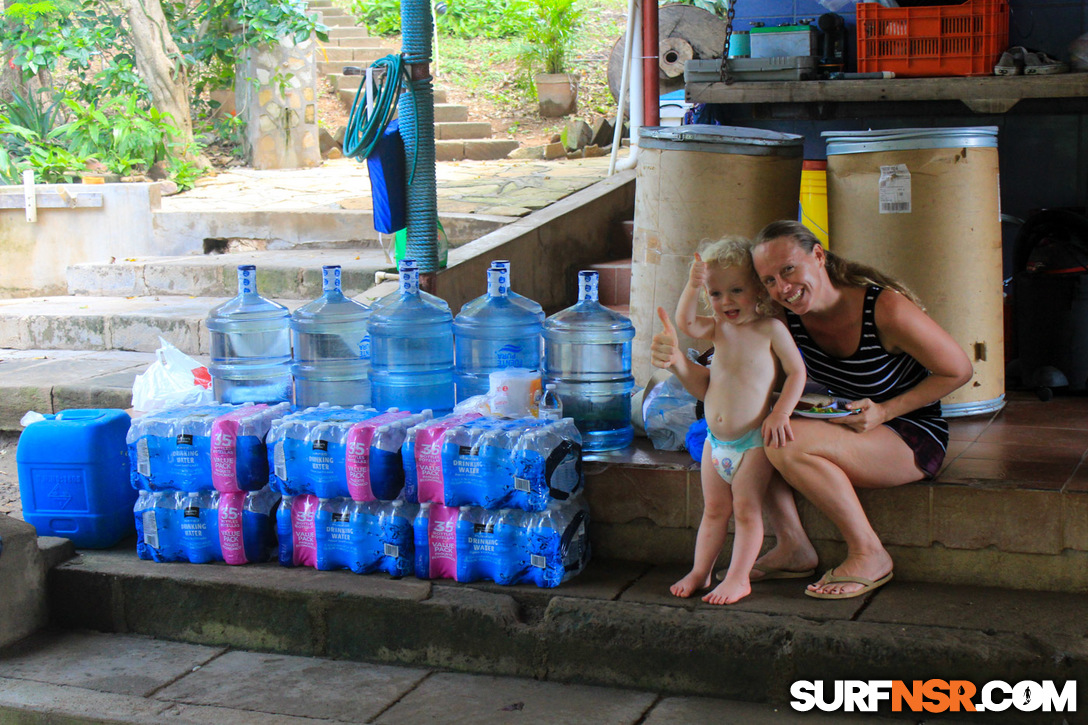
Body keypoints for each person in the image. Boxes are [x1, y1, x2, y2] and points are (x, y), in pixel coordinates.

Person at [652, 220, 973, 599]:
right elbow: (725, 384)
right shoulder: (784, 316)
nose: (782, 288)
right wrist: (678, 361)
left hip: (909, 432)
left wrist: (885, 411)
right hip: (851, 423)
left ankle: (869, 553)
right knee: (767, 425)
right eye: (769, 280)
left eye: (788, 269)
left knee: (783, 440)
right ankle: (793, 548)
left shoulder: (884, 307)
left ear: (818, 256)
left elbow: (958, 370)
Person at [664, 237, 807, 605]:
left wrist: (781, 412)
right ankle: (701, 571)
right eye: (715, 293)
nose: (725, 302)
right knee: (713, 511)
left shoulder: (770, 329)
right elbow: (686, 323)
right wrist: (692, 284)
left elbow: (797, 374)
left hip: (752, 443)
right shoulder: (718, 328)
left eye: (736, 290)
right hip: (716, 441)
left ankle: (740, 577)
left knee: (746, 511)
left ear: (758, 289)